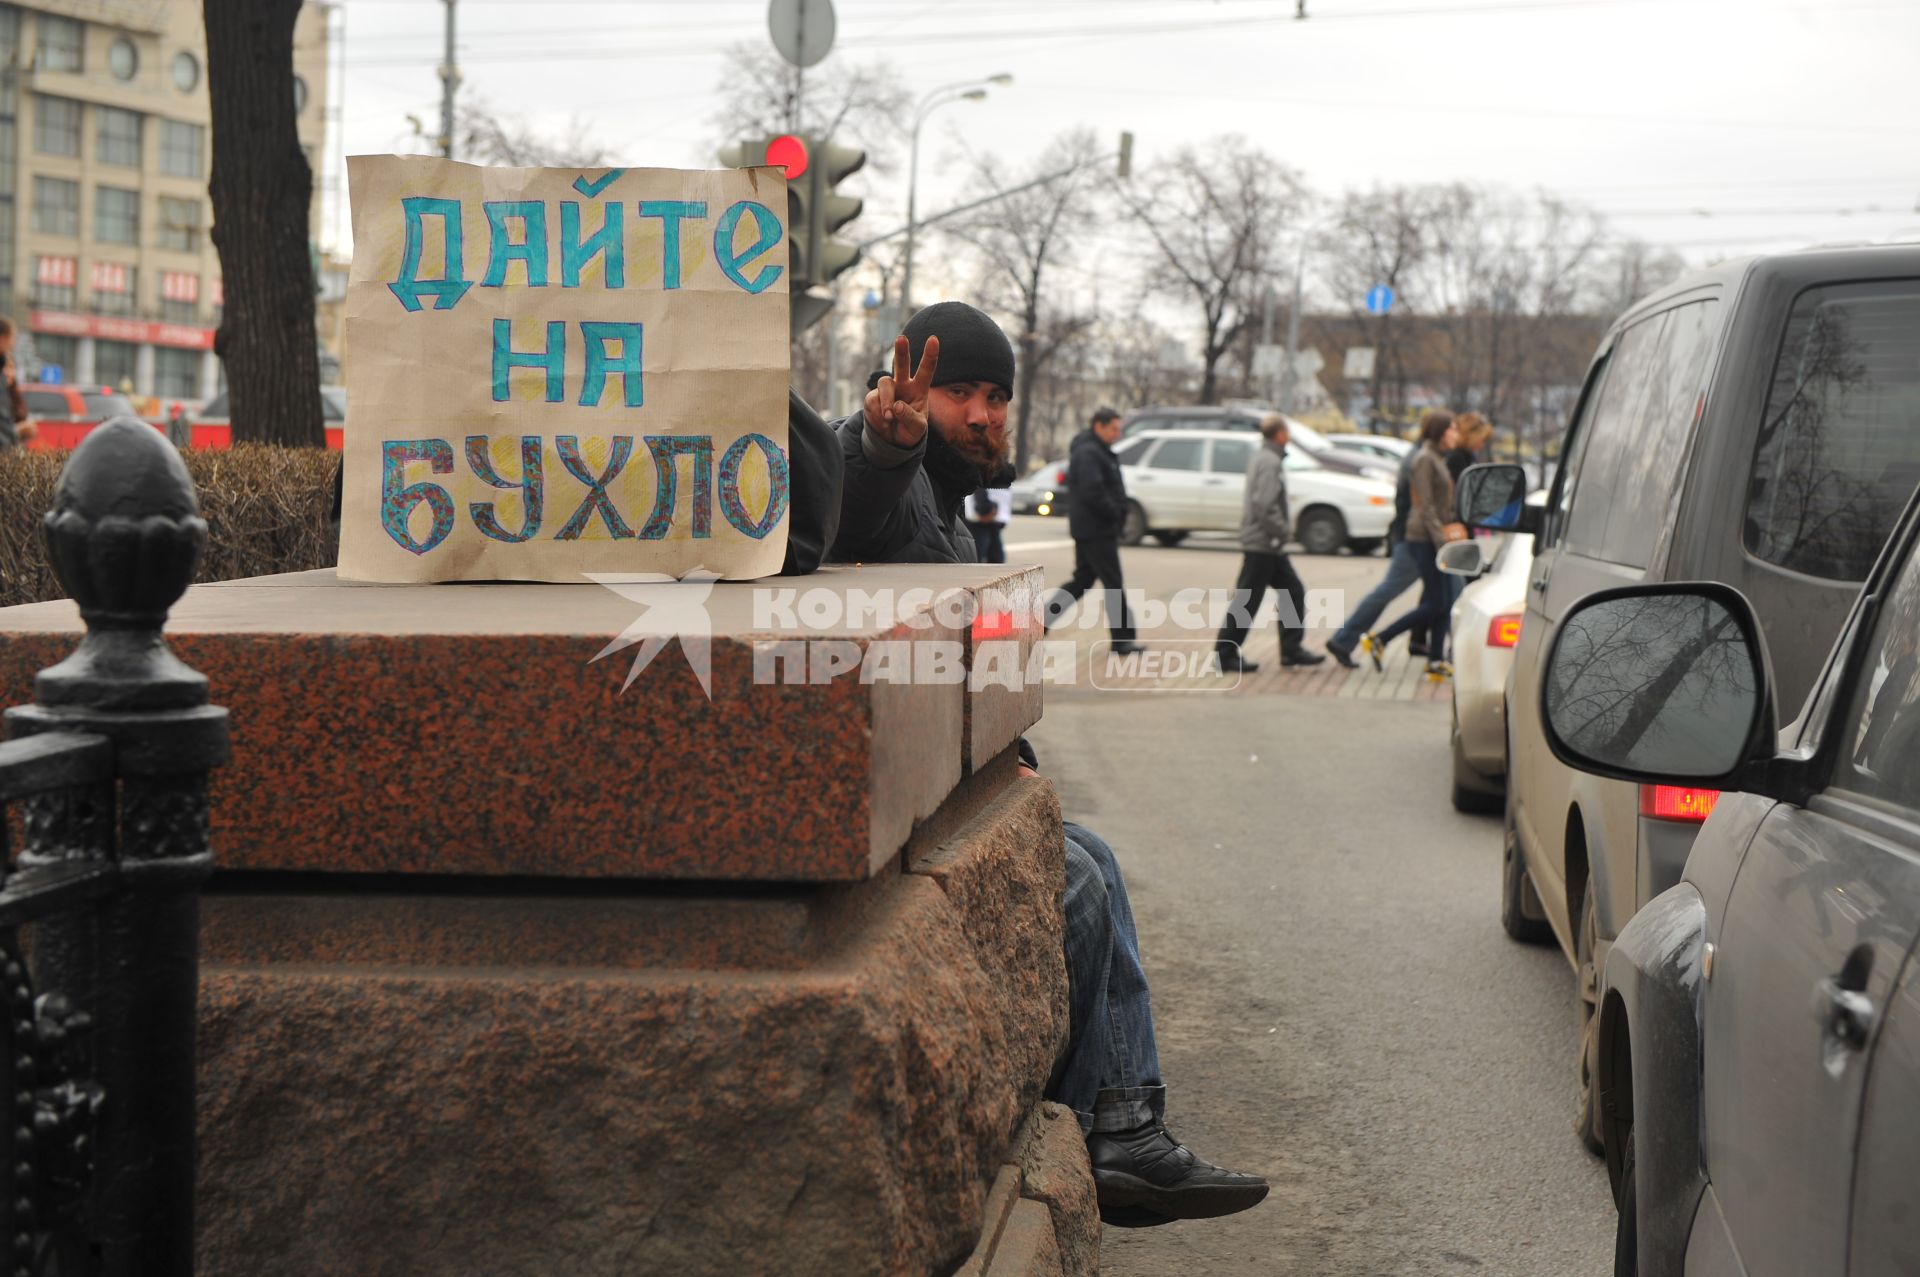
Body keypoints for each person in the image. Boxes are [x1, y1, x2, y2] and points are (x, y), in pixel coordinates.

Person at [827, 301, 1269, 1228]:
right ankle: (1095, 1126)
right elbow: (847, 504)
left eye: (995, 396)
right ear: (902, 386)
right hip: (880, 817)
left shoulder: (949, 496)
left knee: (1093, 858)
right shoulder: (882, 463)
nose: (982, 415)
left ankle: (1124, 1127)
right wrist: (884, 440)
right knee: (1071, 876)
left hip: (942, 788)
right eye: (959, 393)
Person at [1214, 414, 1324, 672]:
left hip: (1268, 544)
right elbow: (1264, 504)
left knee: (1292, 591)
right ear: (1280, 435)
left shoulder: (1265, 457)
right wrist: (1282, 530)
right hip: (1263, 542)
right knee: (1247, 600)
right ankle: (1225, 654)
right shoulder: (1269, 461)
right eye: (1287, 431)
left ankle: (1291, 650)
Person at [1323, 419, 1436, 669]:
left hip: (1413, 537)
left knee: (1438, 596)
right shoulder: (1420, 459)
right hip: (1412, 540)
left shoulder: (1418, 455)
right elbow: (1421, 505)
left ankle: (1425, 645)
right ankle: (1344, 639)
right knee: (1387, 591)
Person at [1361, 412, 1468, 676]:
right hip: (1423, 539)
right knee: (1436, 603)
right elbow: (1426, 506)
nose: (1457, 435)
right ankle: (1380, 639)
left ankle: (1435, 661)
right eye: (1453, 430)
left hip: (1435, 537)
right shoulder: (1424, 460)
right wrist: (1442, 541)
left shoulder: (1437, 458)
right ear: (1441, 432)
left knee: (1443, 601)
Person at [1042, 407, 1141, 654]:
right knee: (1113, 582)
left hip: (1093, 527)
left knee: (1082, 580)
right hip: (1096, 528)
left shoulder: (1096, 450)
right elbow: (1093, 490)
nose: (1117, 434)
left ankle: (1040, 622)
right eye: (1114, 429)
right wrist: (1115, 513)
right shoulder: (1089, 453)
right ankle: (1122, 640)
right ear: (1099, 426)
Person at [0, 318, 28, 451]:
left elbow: (19, 413)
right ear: (3, 338)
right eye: (12, 338)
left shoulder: (9, 388)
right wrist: (17, 433)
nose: (13, 344)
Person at [966, 484, 1012, 563]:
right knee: (978, 556)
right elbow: (980, 485)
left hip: (989, 518)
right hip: (982, 519)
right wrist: (985, 510)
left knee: (994, 557)